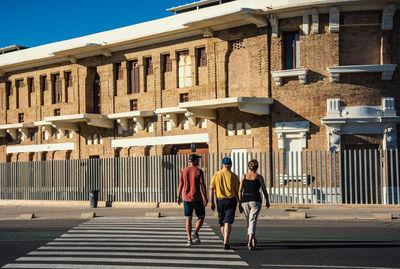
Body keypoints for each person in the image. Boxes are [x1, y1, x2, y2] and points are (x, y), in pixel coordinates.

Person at [238, 159, 270, 250]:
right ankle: (250, 239)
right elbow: (264, 189)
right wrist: (267, 200)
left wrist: (239, 203)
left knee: (249, 220)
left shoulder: (243, 176)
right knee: (253, 220)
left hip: (245, 200)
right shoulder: (259, 177)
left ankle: (252, 238)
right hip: (255, 200)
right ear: (257, 167)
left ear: (249, 167)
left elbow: (240, 191)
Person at [177, 153, 208, 246]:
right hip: (197, 198)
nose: (198, 161)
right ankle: (196, 232)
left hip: (186, 198)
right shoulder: (199, 171)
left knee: (188, 219)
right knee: (201, 216)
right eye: (197, 159)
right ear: (194, 160)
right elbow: (202, 185)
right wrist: (205, 198)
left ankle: (189, 239)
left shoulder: (184, 171)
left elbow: (181, 184)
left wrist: (178, 196)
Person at [210, 157, 240, 250]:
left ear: (222, 165)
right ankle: (226, 241)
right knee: (228, 221)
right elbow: (237, 191)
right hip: (231, 200)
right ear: (230, 165)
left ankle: (225, 239)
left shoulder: (216, 175)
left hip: (220, 200)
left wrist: (211, 202)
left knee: (222, 222)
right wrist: (240, 203)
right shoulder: (234, 176)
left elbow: (211, 189)